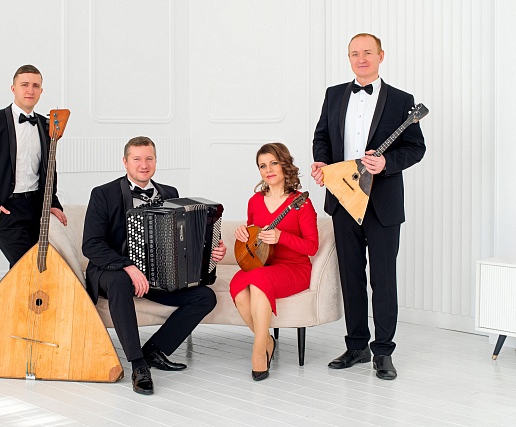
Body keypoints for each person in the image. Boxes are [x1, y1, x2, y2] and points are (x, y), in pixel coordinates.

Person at [310, 33, 426, 380]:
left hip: (383, 203)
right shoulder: (333, 95)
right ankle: (357, 346)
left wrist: (387, 163)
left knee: (383, 279)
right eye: (354, 54)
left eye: (367, 53)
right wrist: (322, 162)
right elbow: (322, 137)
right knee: (351, 277)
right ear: (349, 58)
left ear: (380, 56)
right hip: (343, 198)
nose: (361, 59)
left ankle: (383, 352)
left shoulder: (402, 100)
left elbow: (415, 148)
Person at [82, 136, 227, 395]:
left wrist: (211, 250)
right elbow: (91, 245)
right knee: (119, 282)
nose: (144, 164)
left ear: (156, 161)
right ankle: (138, 365)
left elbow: (184, 242)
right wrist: (128, 266)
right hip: (112, 272)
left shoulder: (170, 193)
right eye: (137, 159)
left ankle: (154, 351)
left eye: (149, 158)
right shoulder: (103, 194)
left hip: (157, 277)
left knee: (205, 297)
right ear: (125, 162)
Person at [232, 143, 318, 381]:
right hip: (264, 265)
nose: (268, 170)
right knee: (238, 284)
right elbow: (254, 235)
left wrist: (282, 237)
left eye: (273, 163)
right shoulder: (255, 201)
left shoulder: (301, 202)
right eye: (262, 166)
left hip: (295, 268)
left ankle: (259, 352)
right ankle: (267, 340)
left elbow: (312, 247)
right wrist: (242, 234)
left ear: (284, 165)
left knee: (259, 281)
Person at [0, 64, 67, 267]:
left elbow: (49, 169)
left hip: (37, 207)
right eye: (24, 85)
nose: (30, 90)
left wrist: (52, 203)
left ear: (41, 91)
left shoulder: (46, 124)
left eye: (36, 86)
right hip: (6, 208)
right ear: (13, 88)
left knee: (39, 267)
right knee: (24, 266)